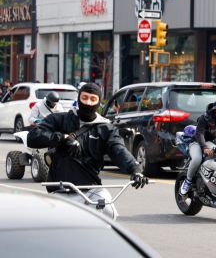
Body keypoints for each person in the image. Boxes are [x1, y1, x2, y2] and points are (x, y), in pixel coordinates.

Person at [27, 83, 148, 219]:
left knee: (109, 213)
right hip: (61, 188)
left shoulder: (106, 128)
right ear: (78, 98)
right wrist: (62, 137)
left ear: (98, 102)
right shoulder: (60, 119)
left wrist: (135, 169)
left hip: (92, 189)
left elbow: (118, 149)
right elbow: (33, 137)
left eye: (92, 99)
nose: (88, 102)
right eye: (84, 98)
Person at [179, 99, 216, 195]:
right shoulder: (205, 118)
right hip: (197, 143)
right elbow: (200, 134)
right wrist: (205, 148)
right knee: (197, 159)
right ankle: (188, 180)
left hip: (214, 143)